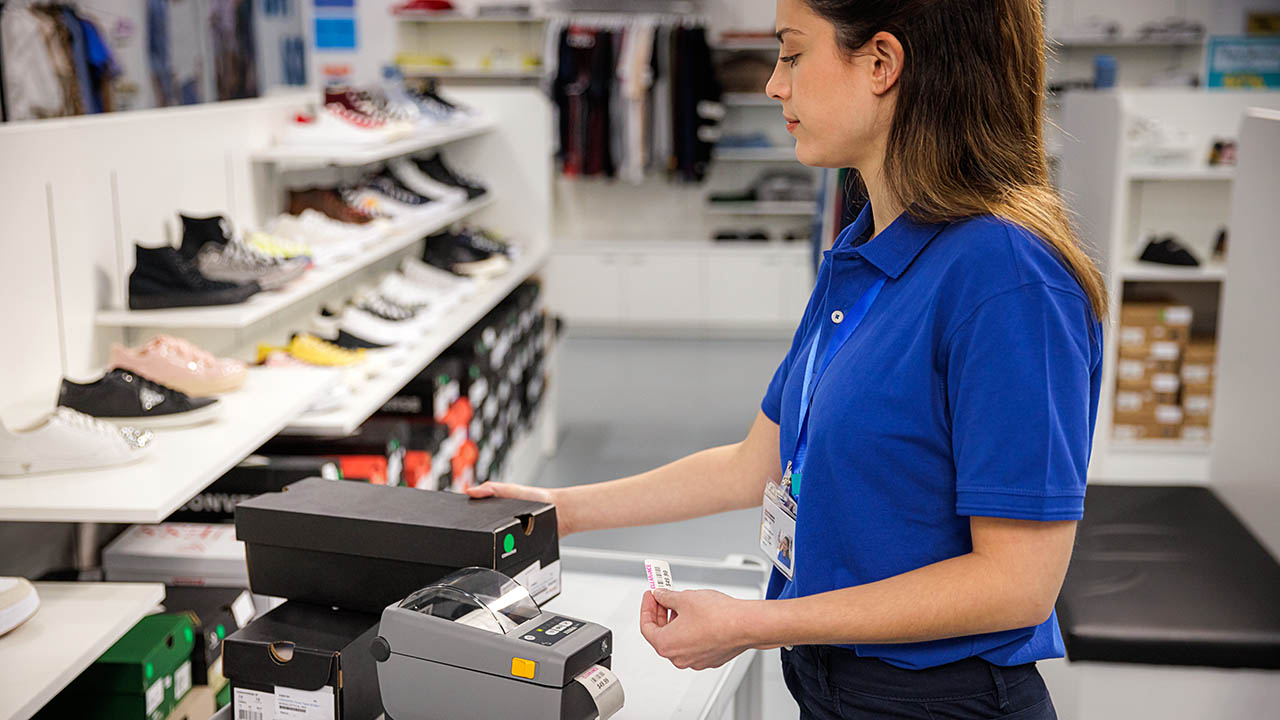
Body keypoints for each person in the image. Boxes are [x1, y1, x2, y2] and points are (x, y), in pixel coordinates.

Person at [468, 0, 1104, 717]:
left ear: (882, 64)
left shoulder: (1009, 277)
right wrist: (560, 511)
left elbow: (1015, 584)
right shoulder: (869, 251)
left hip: (942, 701)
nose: (774, 84)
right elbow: (758, 462)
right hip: (831, 684)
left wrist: (755, 624)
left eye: (792, 54)